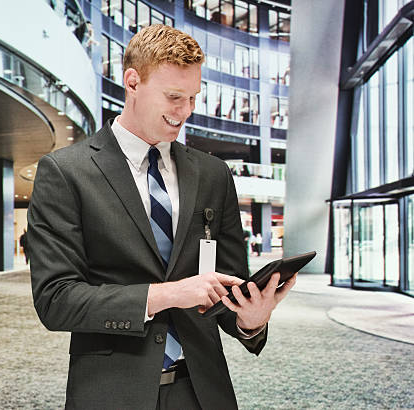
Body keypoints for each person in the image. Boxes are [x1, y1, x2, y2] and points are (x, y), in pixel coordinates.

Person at [27, 24, 296, 409]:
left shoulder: (213, 175)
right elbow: (56, 300)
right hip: (111, 391)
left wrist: (251, 318)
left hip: (201, 390)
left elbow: (225, 288)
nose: (185, 111)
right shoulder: (66, 172)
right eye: (173, 96)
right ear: (132, 82)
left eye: (192, 97)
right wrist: (169, 294)